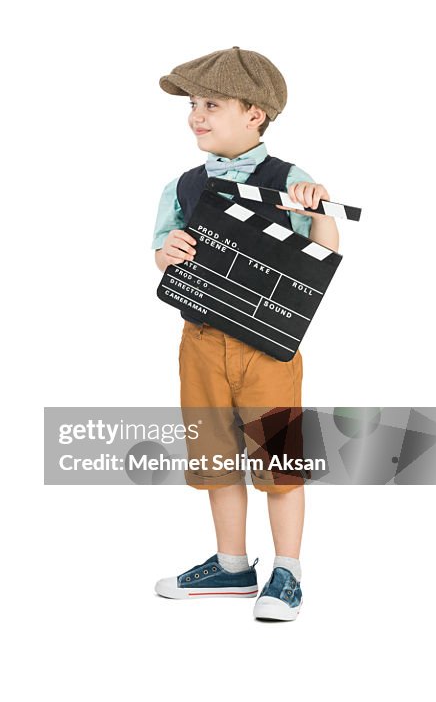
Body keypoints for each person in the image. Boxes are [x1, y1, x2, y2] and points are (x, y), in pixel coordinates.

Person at [151, 47, 339, 620]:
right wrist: (168, 253)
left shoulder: (291, 180)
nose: (196, 115)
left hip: (268, 347)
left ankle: (287, 571)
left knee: (278, 459)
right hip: (201, 341)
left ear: (254, 112)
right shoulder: (184, 185)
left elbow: (326, 254)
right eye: (192, 104)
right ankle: (232, 566)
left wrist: (319, 208)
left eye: (211, 103)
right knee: (214, 455)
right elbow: (164, 251)